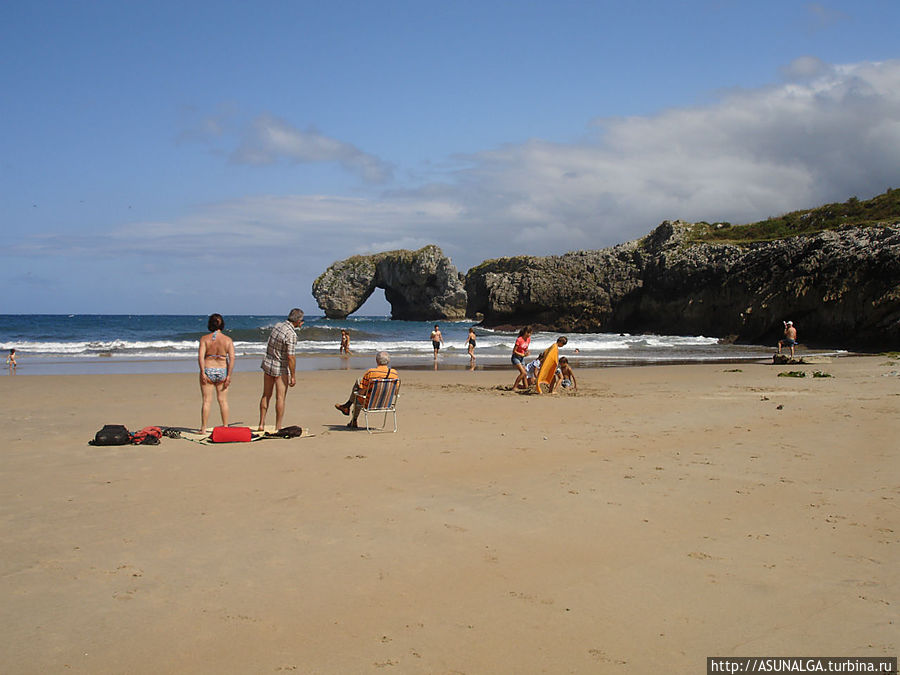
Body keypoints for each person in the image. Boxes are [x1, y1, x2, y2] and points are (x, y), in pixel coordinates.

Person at [258, 308, 304, 431]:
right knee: (280, 398)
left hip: (268, 363)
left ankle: (261, 424)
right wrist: (293, 375)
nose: (302, 323)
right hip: (280, 367)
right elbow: (291, 357)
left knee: (266, 395)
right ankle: (278, 426)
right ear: (298, 321)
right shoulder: (291, 334)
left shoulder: (277, 326)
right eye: (302, 320)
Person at [334, 350, 399, 429]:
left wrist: (358, 392)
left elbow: (361, 392)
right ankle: (347, 408)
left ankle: (351, 415)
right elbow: (395, 392)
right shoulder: (394, 373)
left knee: (358, 394)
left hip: (370, 404)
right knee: (359, 385)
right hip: (386, 404)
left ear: (376, 360)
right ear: (388, 361)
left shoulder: (371, 372)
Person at [198, 314, 236, 433]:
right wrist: (229, 375)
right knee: (223, 401)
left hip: (208, 368)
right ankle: (225, 426)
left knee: (207, 401)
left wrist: (203, 372)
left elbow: (200, 357)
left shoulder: (204, 339)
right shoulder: (227, 340)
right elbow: (232, 358)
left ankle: (203, 428)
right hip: (222, 370)